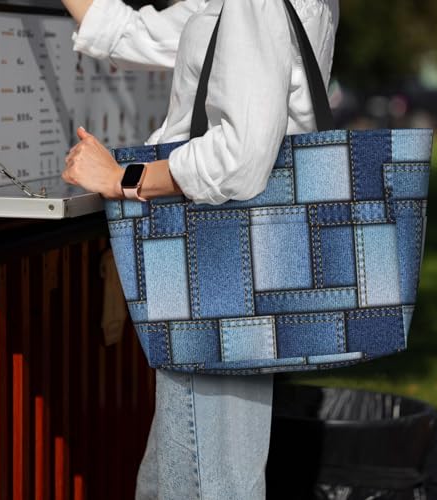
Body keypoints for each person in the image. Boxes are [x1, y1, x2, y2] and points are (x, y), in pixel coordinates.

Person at [61, 0, 339, 498]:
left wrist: (123, 177)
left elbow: (240, 158)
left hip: (216, 261)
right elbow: (134, 33)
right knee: (183, 472)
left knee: (209, 478)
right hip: (241, 260)